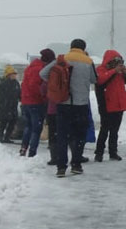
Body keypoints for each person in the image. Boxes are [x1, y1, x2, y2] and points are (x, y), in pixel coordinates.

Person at [41, 39, 96, 177]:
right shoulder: (88, 61)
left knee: (62, 136)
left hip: (63, 104)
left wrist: (56, 84)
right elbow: (94, 80)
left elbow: (42, 74)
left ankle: (61, 167)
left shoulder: (62, 59)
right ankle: (76, 164)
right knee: (79, 136)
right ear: (84, 48)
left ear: (71, 47)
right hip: (81, 104)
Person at [95, 49, 126, 162]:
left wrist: (125, 72)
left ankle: (113, 152)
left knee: (115, 131)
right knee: (104, 130)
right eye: (115, 61)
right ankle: (99, 153)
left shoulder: (120, 73)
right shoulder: (101, 70)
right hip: (106, 105)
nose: (117, 64)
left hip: (118, 105)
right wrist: (113, 71)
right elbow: (100, 80)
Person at [18, 50, 50, 157]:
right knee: (36, 128)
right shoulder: (40, 70)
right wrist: (43, 96)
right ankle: (32, 152)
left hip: (26, 102)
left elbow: (25, 85)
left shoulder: (29, 68)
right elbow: (34, 86)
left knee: (28, 126)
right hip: (35, 102)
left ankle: (23, 147)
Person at [0, 65, 21, 143]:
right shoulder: (3, 83)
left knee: (12, 122)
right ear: (8, 75)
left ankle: (7, 137)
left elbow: (19, 93)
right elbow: (3, 95)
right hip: (4, 106)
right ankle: (0, 137)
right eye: (13, 74)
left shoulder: (16, 83)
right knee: (3, 122)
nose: (15, 75)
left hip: (13, 106)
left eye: (15, 74)